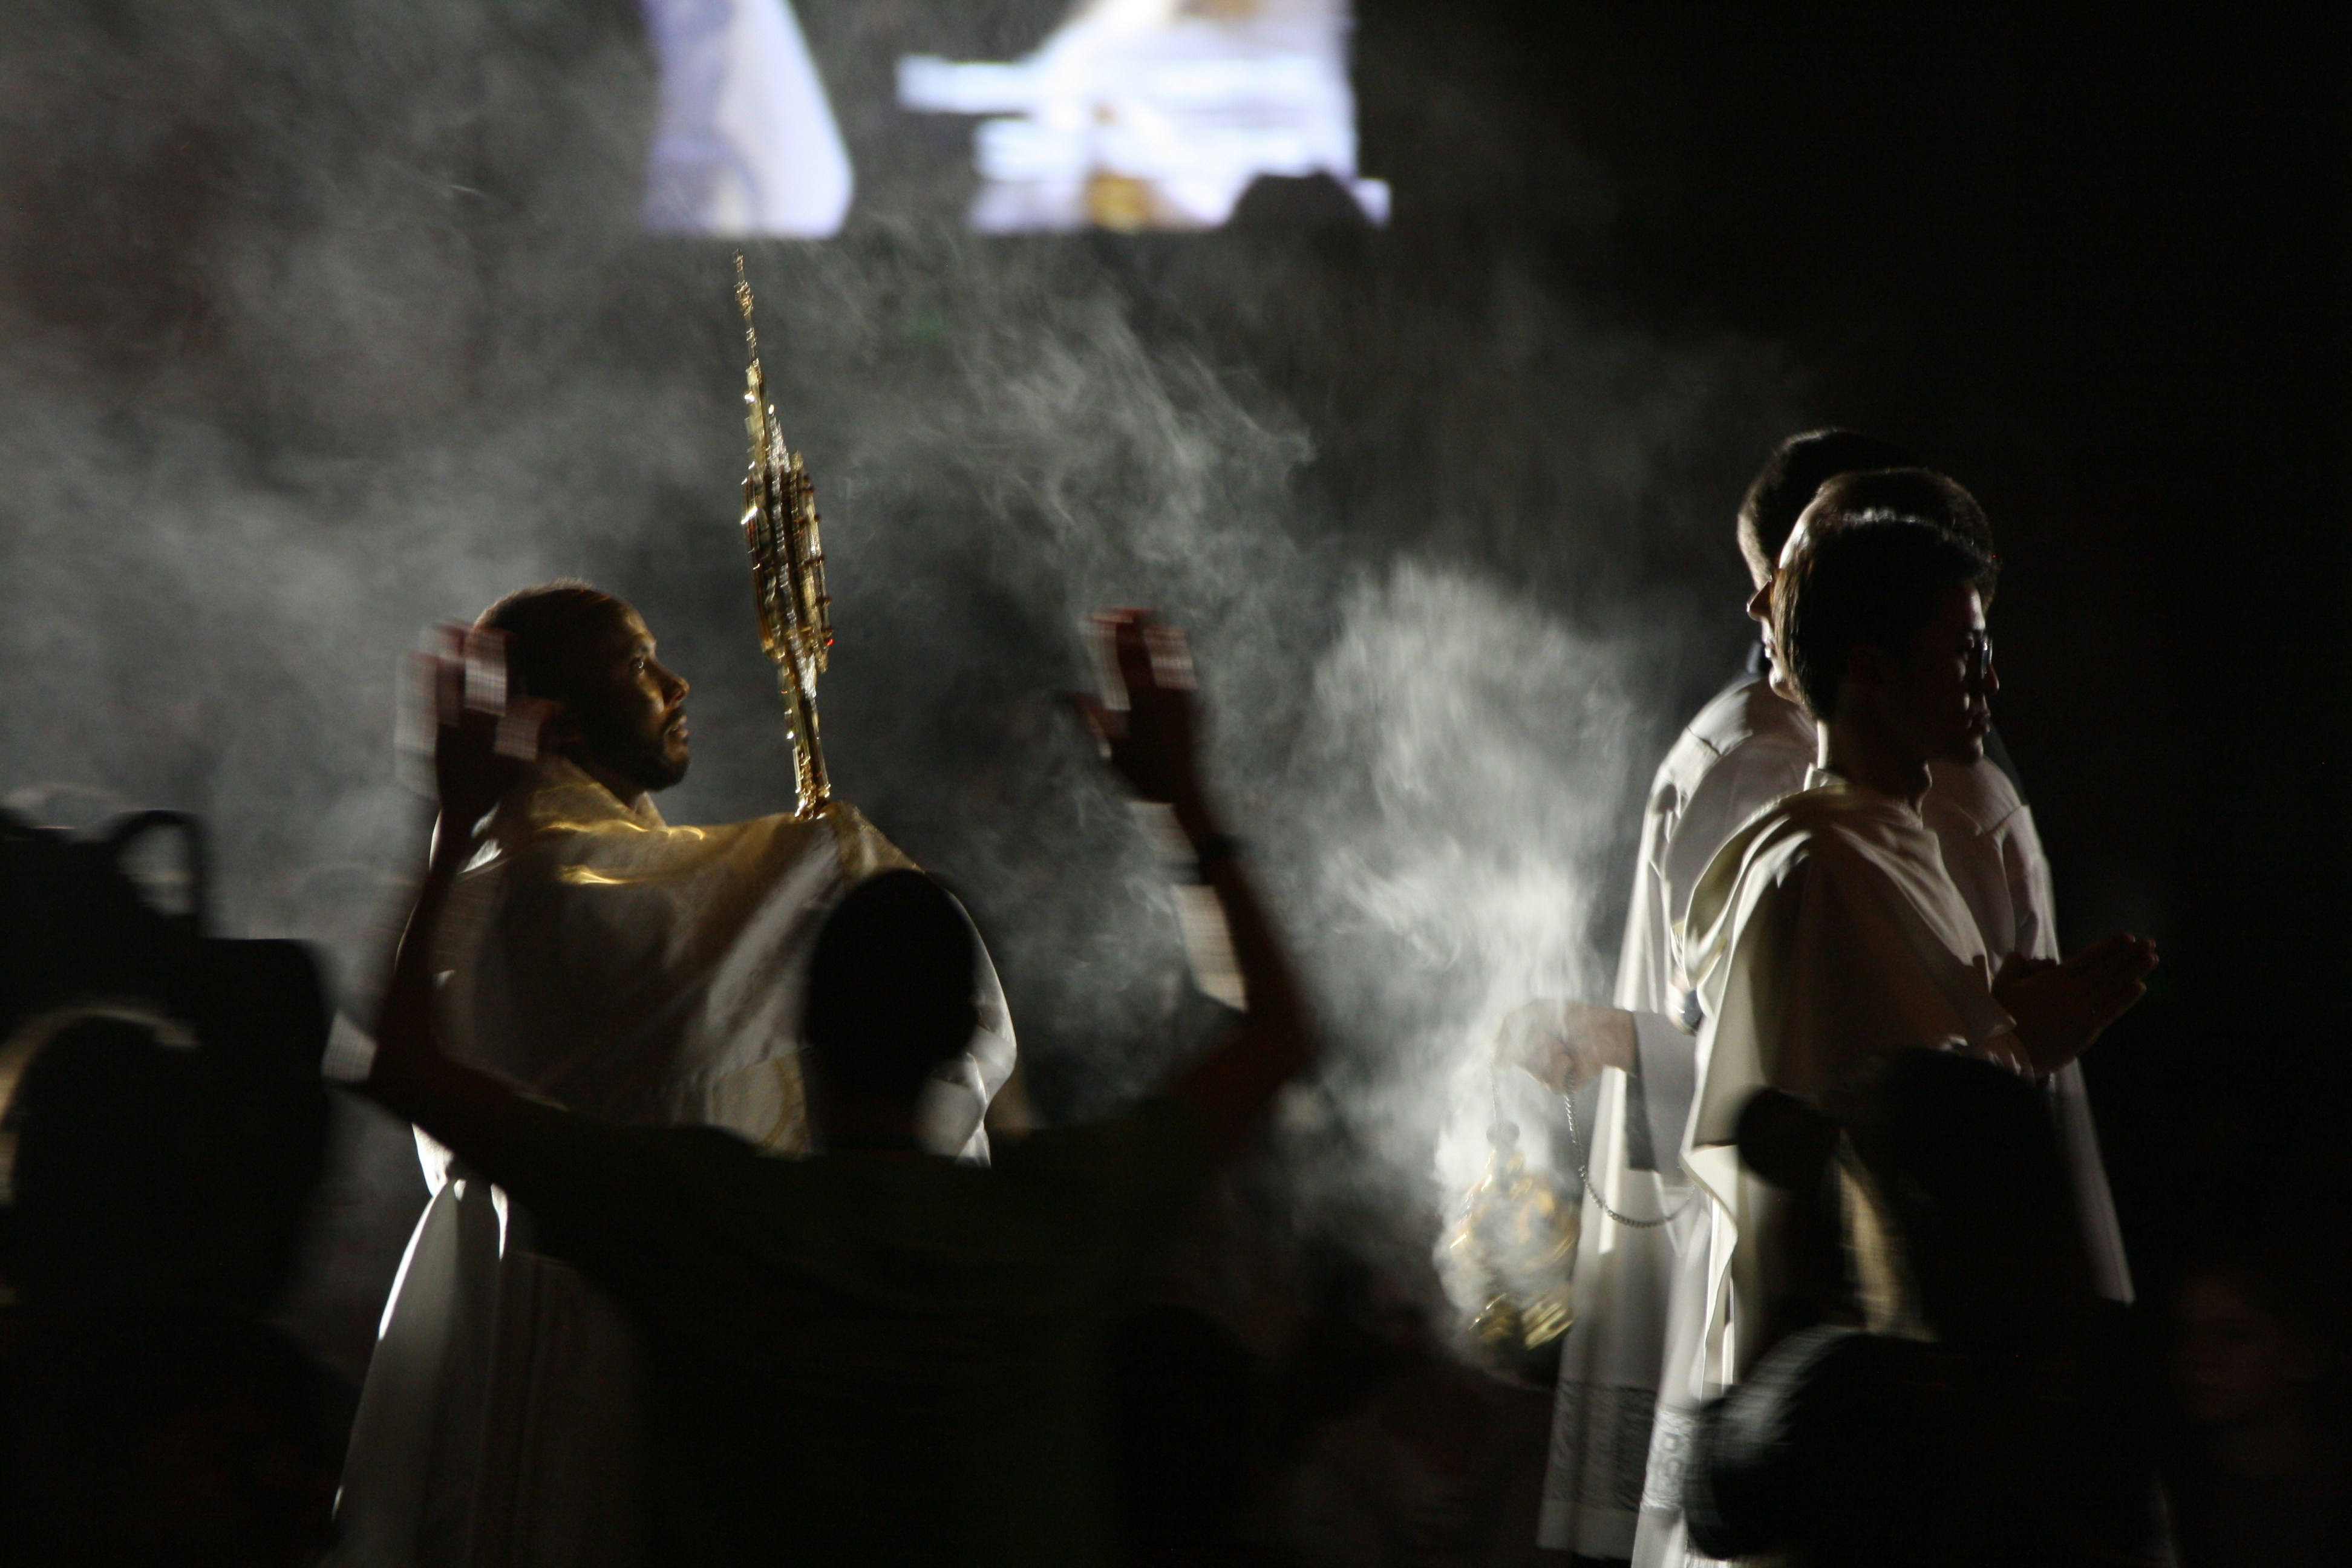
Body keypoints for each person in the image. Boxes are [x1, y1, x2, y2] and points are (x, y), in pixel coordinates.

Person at [359, 607, 1312, 1566]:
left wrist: (447, 821)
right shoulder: (1048, 1228)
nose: (677, 685)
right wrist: (1180, 800)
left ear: (793, 1019)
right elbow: (1280, 1034)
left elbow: (397, 1061)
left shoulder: (716, 1223)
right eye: (640, 664)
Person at [1520, 431, 2129, 1563]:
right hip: (1861, 1427)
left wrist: (2010, 1028)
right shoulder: (1820, 863)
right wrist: (2019, 1047)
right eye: (1964, 655)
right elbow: (1856, 1171)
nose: (1992, 687)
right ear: (1870, 667)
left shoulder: (1900, 831)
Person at [334, 583, 1021, 1568]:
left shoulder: (488, 885)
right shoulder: (547, 887)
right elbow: (703, 942)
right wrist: (833, 852)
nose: (676, 683)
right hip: (626, 1336)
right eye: (636, 663)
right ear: (562, 721)